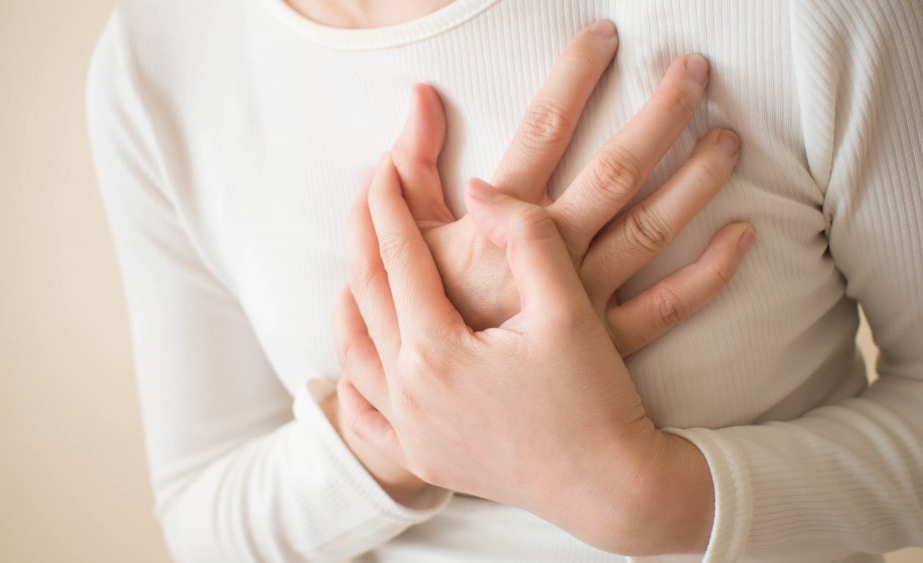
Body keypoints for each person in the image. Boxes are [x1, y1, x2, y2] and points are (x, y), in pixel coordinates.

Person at [85, 0, 923, 561]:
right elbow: (201, 511)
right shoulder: (156, 55)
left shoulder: (809, 17)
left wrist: (650, 497)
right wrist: (399, 406)